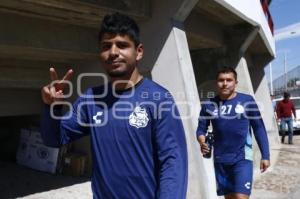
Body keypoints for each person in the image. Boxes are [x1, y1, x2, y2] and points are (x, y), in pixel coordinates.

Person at [40, 13, 187, 199]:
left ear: (139, 51)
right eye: (106, 46)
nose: (113, 52)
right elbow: (54, 139)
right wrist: (51, 108)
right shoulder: (91, 99)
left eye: (122, 45)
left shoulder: (159, 99)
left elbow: (173, 162)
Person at [196, 67, 270, 199]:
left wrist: (265, 155)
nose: (225, 83)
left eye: (229, 80)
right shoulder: (209, 105)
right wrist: (202, 142)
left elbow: (258, 128)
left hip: (242, 159)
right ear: (216, 83)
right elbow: (201, 129)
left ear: (236, 82)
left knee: (241, 197)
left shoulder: (247, 101)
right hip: (221, 161)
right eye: (221, 80)